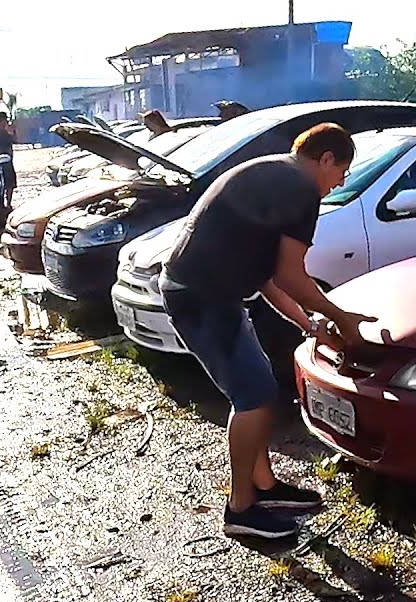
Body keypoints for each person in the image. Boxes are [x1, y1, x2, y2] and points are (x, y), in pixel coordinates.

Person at [160, 123, 377, 539]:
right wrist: (342, 317)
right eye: (341, 172)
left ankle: (264, 485)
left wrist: (311, 324)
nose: (339, 183)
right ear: (325, 159)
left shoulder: (271, 173)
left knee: (257, 391)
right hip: (203, 297)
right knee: (254, 396)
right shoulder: (300, 189)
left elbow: (268, 277)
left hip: (204, 292)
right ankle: (241, 510)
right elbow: (292, 275)